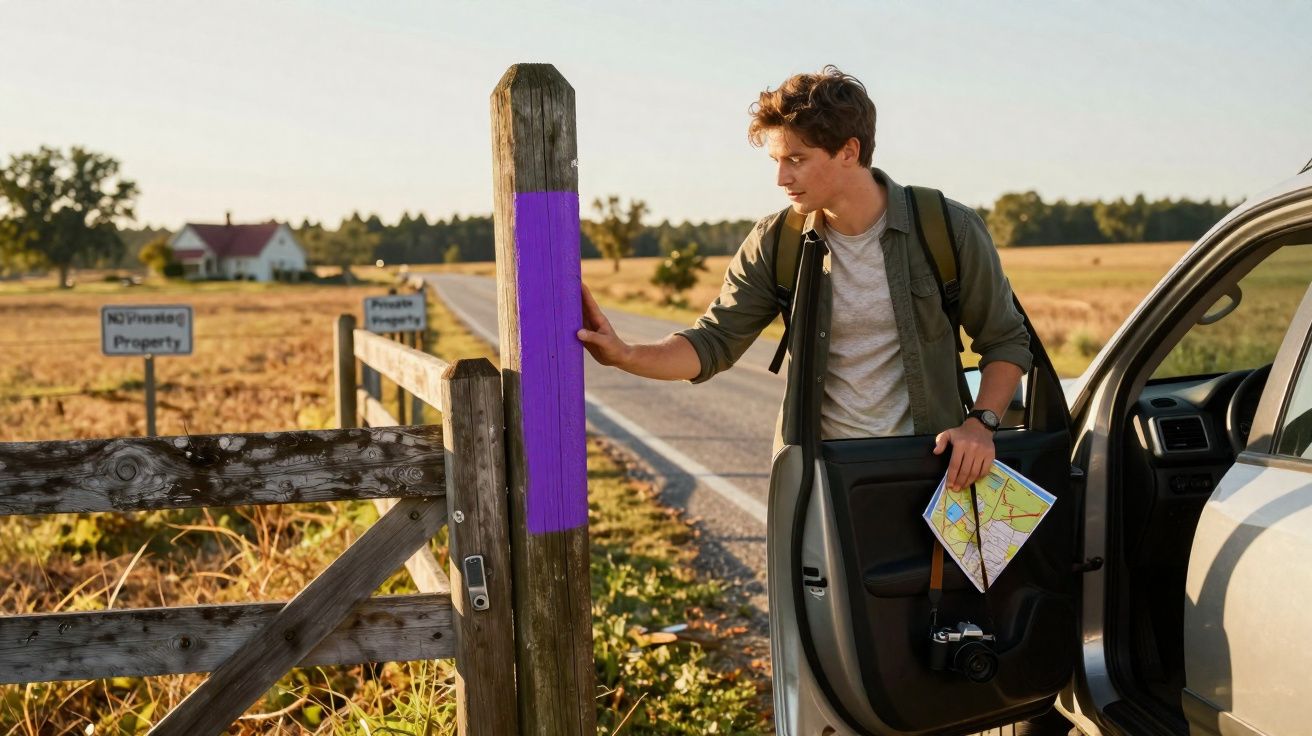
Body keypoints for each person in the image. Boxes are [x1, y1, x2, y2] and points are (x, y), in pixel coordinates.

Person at [576, 65, 1031, 493]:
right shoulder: (776, 242)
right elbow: (713, 342)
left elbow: (1006, 339)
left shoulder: (947, 228)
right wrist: (627, 355)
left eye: (796, 158)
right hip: (818, 474)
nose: (781, 177)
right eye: (777, 159)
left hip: (930, 469)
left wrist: (981, 425)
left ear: (849, 151)